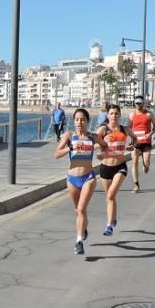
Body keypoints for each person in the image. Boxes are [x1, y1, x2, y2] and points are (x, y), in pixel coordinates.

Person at [55, 108, 108, 255]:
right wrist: (70, 148)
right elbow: (56, 154)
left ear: (87, 121)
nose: (79, 122)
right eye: (77, 119)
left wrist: (102, 155)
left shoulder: (94, 137)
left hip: (88, 178)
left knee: (81, 209)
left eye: (82, 119)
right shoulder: (69, 135)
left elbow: (105, 146)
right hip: (72, 179)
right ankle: (83, 228)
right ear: (74, 121)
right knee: (77, 210)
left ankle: (78, 241)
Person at [96, 104, 136, 236]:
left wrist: (132, 145)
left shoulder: (125, 129)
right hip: (105, 168)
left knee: (111, 195)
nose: (114, 116)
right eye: (111, 113)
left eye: (116, 113)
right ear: (107, 115)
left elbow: (135, 138)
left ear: (120, 115)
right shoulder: (103, 129)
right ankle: (113, 218)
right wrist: (101, 148)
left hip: (120, 166)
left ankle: (108, 226)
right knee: (110, 198)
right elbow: (94, 142)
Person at [129, 96, 155, 193]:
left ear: (144, 103)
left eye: (140, 103)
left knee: (145, 164)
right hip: (136, 142)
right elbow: (129, 129)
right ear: (134, 104)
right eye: (137, 103)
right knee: (134, 162)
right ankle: (136, 185)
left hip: (146, 142)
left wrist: (150, 134)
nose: (138, 105)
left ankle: (146, 165)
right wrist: (130, 140)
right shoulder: (131, 115)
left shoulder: (149, 114)